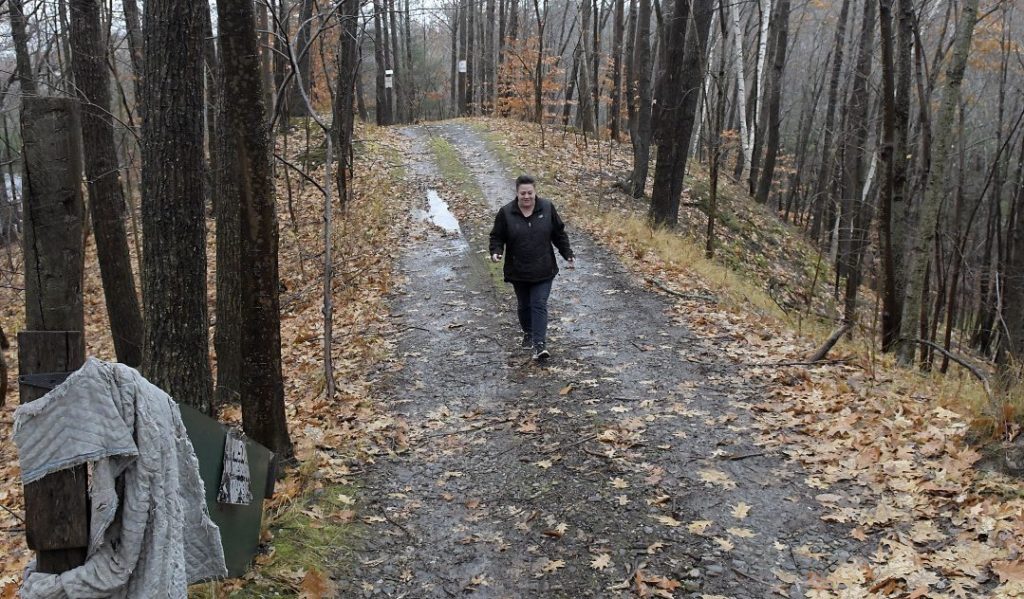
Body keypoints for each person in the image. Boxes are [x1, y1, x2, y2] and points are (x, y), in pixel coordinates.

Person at [489, 175, 575, 361]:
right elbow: (497, 236)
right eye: (523, 193)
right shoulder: (506, 213)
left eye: (530, 193)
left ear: (535, 192)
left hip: (544, 268)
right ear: (517, 193)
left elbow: (558, 234)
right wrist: (496, 251)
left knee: (538, 304)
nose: (526, 197)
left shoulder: (547, 208)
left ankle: (539, 345)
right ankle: (528, 331)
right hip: (518, 270)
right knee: (524, 305)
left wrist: (567, 253)